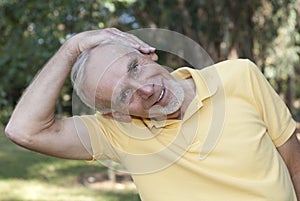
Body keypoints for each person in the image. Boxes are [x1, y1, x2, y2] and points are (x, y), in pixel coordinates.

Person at [5, 28, 300, 201]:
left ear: (148, 53)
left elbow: (294, 164)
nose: (144, 88)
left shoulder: (240, 75)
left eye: (134, 67)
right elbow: (24, 131)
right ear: (115, 114)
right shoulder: (118, 131)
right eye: (123, 95)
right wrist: (71, 47)